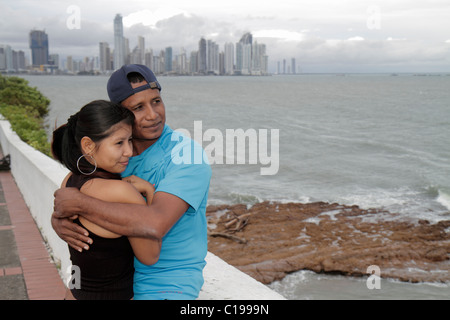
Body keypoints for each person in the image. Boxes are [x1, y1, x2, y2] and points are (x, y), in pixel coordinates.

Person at [52, 64, 212, 300]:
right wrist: (58, 218)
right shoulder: (116, 159)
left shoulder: (186, 156)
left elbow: (155, 224)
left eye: (156, 101)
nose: (152, 114)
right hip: (117, 283)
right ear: (121, 115)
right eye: (138, 107)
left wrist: (80, 204)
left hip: (166, 282)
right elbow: (79, 192)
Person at [52, 100, 161, 300]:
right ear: (88, 145)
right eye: (119, 143)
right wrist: (149, 191)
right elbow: (150, 256)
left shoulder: (70, 180)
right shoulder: (122, 193)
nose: (128, 151)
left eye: (130, 140)